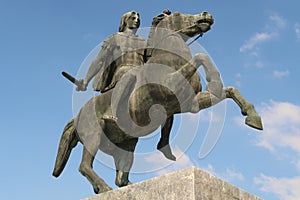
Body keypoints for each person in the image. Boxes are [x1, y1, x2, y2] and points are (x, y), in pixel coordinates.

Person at [77, 11, 176, 160]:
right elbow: (98, 61)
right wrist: (86, 79)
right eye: (132, 18)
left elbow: (152, 54)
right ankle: (113, 113)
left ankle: (164, 141)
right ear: (124, 21)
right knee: (131, 74)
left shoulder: (142, 42)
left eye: (138, 19)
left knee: (167, 96)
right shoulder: (114, 39)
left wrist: (156, 25)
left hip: (141, 73)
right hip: (123, 71)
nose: (136, 21)